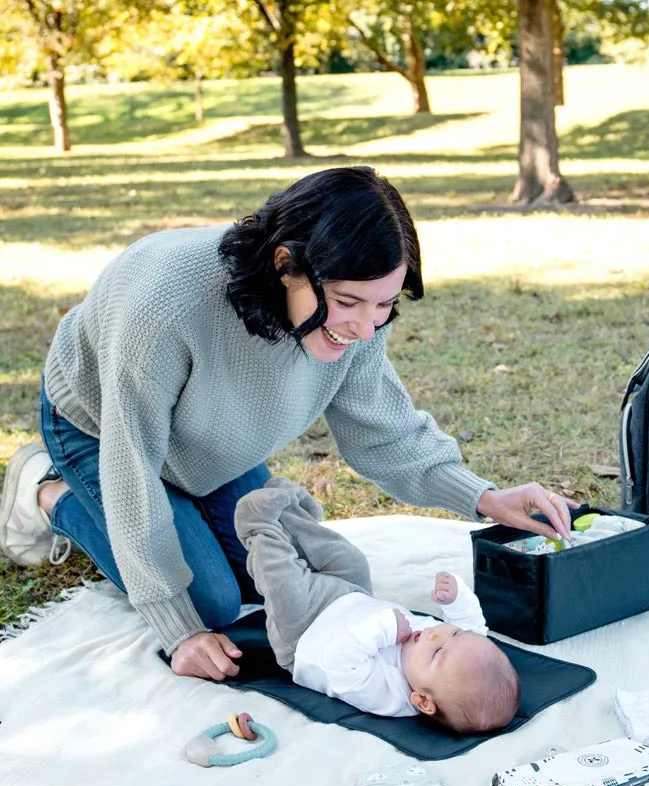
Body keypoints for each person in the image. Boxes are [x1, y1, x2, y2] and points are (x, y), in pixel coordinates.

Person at [0, 166, 575, 682]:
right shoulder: (164, 307)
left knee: (276, 583)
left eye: (385, 307)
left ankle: (185, 505)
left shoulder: (360, 316)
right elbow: (132, 469)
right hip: (100, 429)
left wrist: (486, 498)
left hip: (213, 441)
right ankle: (48, 493)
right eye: (349, 303)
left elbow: (383, 431)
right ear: (286, 265)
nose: (365, 328)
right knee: (212, 605)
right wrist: (178, 627)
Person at [235, 478, 520, 733]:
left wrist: (384, 630)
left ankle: (259, 526)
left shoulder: (387, 696)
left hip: (304, 631)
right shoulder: (458, 649)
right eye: (454, 634)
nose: (439, 633)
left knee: (283, 582)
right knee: (350, 560)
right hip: (353, 595)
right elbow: (472, 625)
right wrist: (457, 598)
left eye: (436, 652)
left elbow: (339, 663)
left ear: (422, 701)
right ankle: (295, 516)